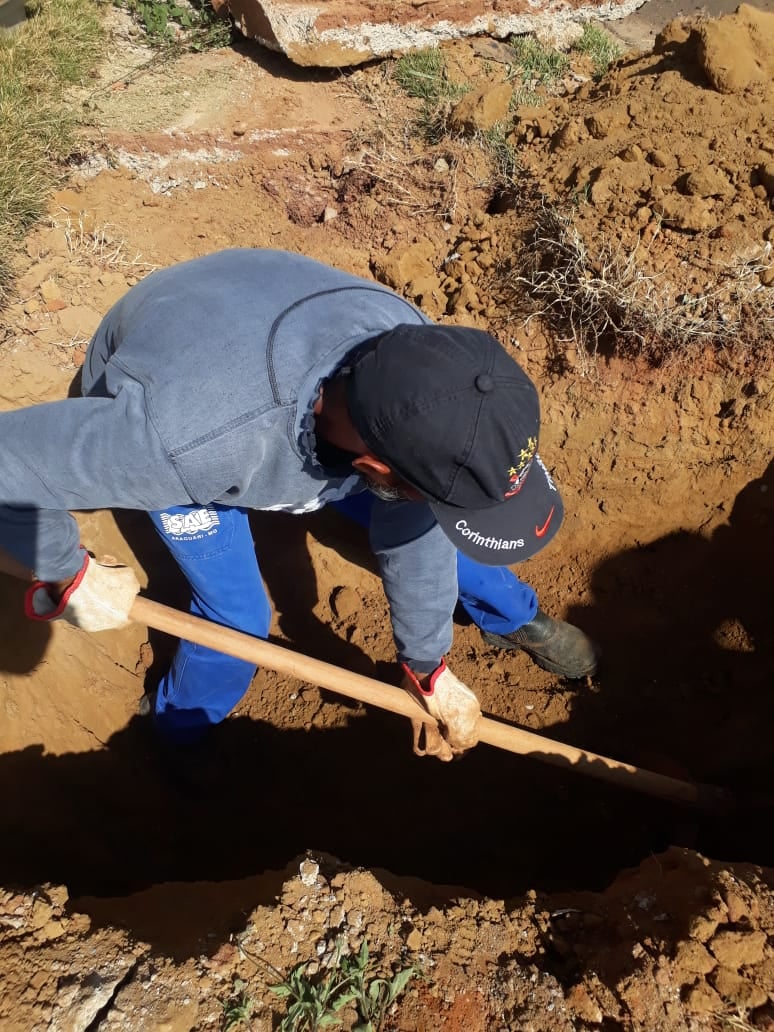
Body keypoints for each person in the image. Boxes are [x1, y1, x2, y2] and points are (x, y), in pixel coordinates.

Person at [0, 249, 597, 763]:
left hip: (262, 324)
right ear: (375, 469)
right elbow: (8, 463)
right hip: (181, 368)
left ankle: (510, 616)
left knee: (439, 527)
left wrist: (428, 668)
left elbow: (417, 524)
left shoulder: (424, 373)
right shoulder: (190, 443)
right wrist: (65, 568)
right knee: (237, 618)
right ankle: (181, 732)